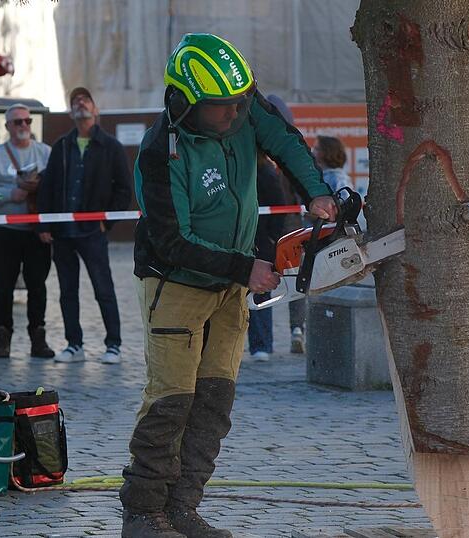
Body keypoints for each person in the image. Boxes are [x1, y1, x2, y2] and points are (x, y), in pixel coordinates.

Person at [121, 33, 336, 538]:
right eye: (219, 109)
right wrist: (246, 269)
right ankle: (143, 511)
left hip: (229, 288)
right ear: (183, 103)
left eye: (239, 106)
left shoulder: (241, 106)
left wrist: (317, 193)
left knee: (214, 400)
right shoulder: (159, 154)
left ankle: (183, 506)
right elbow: (173, 241)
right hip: (175, 285)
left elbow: (283, 139)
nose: (233, 117)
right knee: (170, 400)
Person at [37, 87, 133, 364]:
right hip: (63, 231)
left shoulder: (110, 146)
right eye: (75, 101)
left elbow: (124, 190)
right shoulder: (62, 146)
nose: (80, 104)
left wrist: (106, 221)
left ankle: (113, 344)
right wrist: (44, 223)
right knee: (67, 290)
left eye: (85, 99)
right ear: (70, 111)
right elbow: (48, 186)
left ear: (95, 109)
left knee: (103, 288)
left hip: (92, 232)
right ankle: (74, 344)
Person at [0, 104, 54, 360]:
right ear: (7, 126)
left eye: (27, 121)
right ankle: (3, 336)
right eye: (17, 122)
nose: (23, 126)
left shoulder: (45, 152)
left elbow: (56, 189)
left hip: (36, 232)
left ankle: (38, 338)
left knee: (37, 286)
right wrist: (9, 194)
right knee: (4, 286)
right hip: (3, 229)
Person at [266, 94, 307, 354]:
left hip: (281, 230)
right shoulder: (291, 153)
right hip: (283, 230)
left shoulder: (282, 155)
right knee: (287, 283)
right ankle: (293, 330)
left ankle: (291, 332)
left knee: (287, 282)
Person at [247, 149, 288, 361]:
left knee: (260, 293)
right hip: (240, 241)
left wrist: (271, 240)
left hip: (260, 243)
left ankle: (261, 344)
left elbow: (278, 209)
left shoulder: (265, 173)